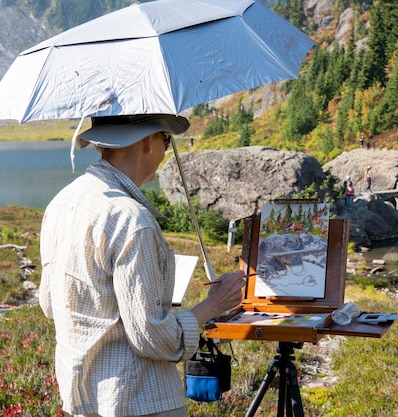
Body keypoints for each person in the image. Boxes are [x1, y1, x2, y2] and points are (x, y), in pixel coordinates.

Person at [39, 114, 246, 417]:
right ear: (148, 141)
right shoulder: (131, 219)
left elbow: (49, 304)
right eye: (166, 140)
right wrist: (211, 306)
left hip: (82, 396)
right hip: (139, 400)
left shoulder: (62, 201)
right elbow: (152, 336)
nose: (164, 151)